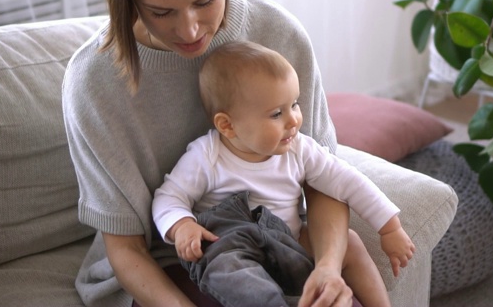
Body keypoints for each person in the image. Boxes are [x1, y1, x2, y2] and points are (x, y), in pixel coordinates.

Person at [62, 0, 397, 306]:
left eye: (205, 1)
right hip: (178, 260)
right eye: (161, 11)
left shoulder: (277, 34)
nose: (189, 29)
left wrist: (328, 269)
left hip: (284, 241)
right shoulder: (94, 85)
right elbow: (126, 246)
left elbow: (323, 181)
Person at [152, 41, 416, 307]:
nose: (293, 121)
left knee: (351, 241)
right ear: (227, 125)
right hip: (231, 247)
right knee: (235, 276)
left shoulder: (299, 148)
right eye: (277, 113)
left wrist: (389, 227)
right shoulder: (207, 155)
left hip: (288, 242)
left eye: (295, 105)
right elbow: (168, 198)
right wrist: (181, 225)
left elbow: (347, 180)